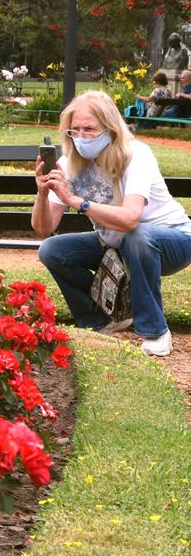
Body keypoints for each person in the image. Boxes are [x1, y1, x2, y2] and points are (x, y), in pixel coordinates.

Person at [33, 91, 191, 357]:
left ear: (110, 128)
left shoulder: (135, 155)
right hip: (115, 244)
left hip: (172, 240)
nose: (82, 137)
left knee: (138, 236)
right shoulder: (67, 163)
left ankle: (155, 331)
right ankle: (98, 320)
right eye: (75, 130)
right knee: (51, 250)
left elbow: (131, 218)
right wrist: (42, 193)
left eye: (90, 129)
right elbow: (42, 228)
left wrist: (77, 201)